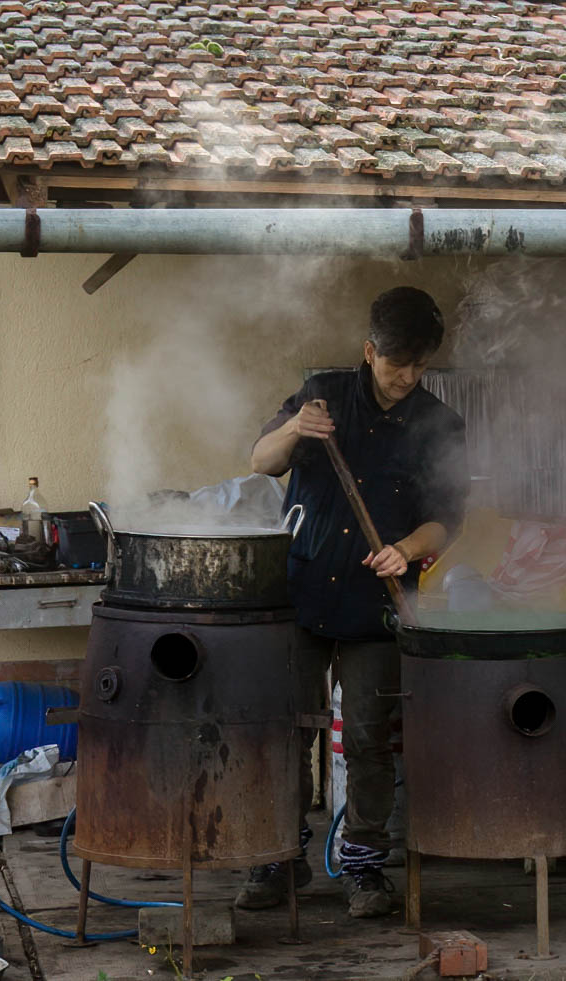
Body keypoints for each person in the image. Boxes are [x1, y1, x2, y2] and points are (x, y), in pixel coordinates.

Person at [237, 286, 467, 918]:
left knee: (367, 737)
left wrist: (406, 547)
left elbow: (447, 520)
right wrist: (293, 428)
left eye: (421, 366)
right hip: (303, 586)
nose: (408, 378)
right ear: (370, 352)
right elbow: (261, 461)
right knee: (285, 729)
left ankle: (364, 866)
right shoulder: (323, 394)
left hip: (379, 602)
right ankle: (279, 860)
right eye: (398, 365)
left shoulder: (439, 425)